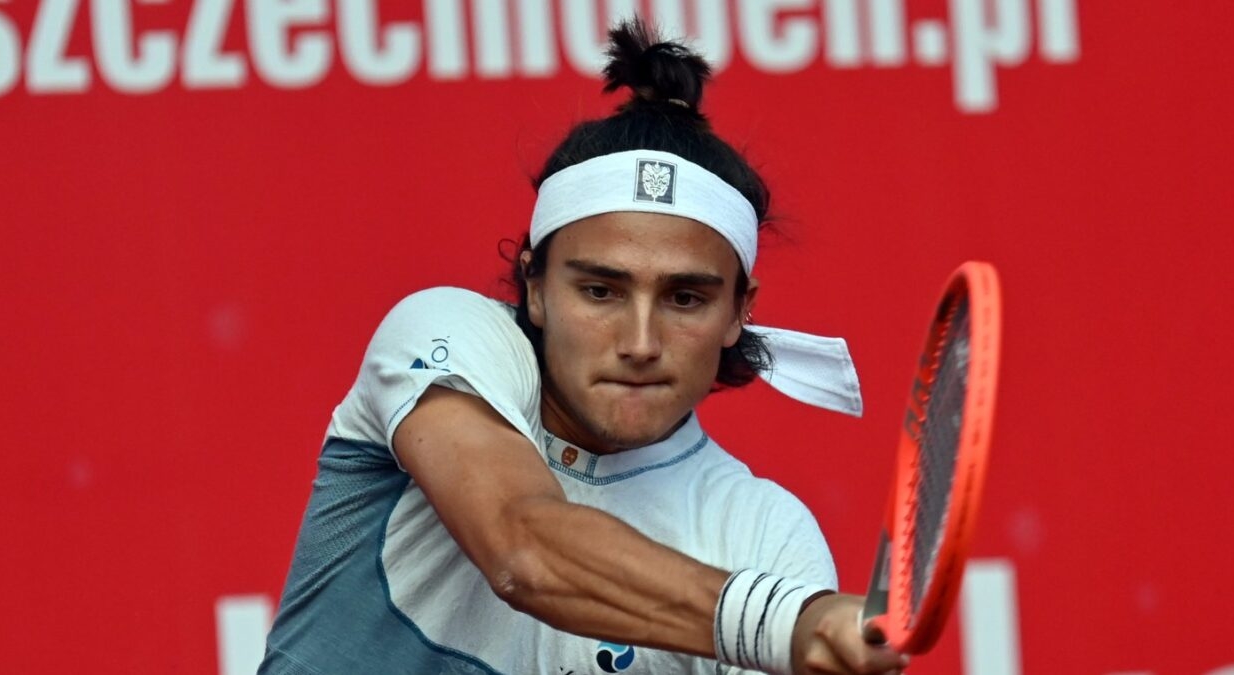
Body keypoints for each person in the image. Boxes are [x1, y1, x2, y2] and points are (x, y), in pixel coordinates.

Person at [259, 19, 908, 675]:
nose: (641, 342)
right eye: (601, 291)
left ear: (740, 310)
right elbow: (523, 547)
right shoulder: (445, 336)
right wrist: (784, 624)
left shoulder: (768, 534)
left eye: (685, 298)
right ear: (536, 286)